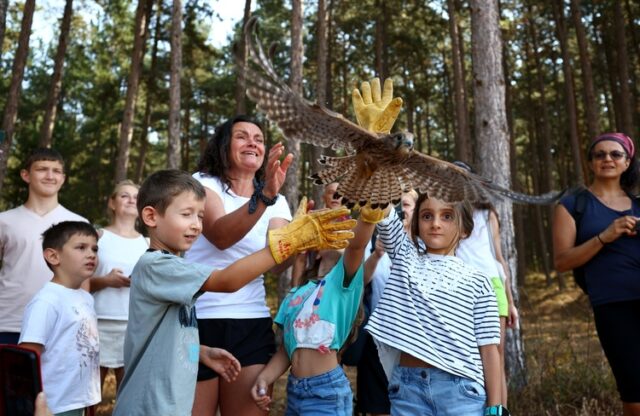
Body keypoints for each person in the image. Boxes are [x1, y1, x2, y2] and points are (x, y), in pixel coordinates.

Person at [113, 169, 354, 415]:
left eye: (200, 216)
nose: (196, 225)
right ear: (151, 216)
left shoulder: (171, 269)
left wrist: (200, 352)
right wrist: (285, 243)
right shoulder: (157, 265)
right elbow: (227, 281)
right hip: (148, 406)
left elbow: (164, 336)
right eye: (186, 215)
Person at [186, 116, 293, 416]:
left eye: (258, 139)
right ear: (224, 145)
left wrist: (304, 240)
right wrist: (265, 196)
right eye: (242, 136)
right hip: (198, 321)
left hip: (251, 322)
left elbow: (276, 265)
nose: (252, 143)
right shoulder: (203, 184)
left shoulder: (279, 201)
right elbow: (221, 236)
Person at [366, 194, 506, 416]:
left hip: (461, 392)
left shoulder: (479, 281)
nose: (436, 224)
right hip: (407, 391)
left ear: (465, 229)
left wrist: (496, 408)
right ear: (417, 224)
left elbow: (490, 350)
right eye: (427, 216)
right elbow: (382, 204)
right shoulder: (405, 256)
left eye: (447, 216)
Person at [250, 205, 383, 415]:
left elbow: (357, 246)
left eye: (344, 232)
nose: (340, 235)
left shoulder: (343, 284)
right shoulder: (297, 293)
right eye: (332, 232)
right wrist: (265, 377)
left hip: (326, 393)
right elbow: (286, 350)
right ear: (318, 250)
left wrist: (369, 215)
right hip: (295, 391)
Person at [553, 133, 640, 415]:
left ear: (627, 162)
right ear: (591, 162)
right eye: (599, 154)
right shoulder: (572, 206)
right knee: (634, 394)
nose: (607, 159)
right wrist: (605, 235)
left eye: (615, 154)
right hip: (614, 306)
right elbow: (562, 262)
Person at [0, 148, 87, 344]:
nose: (50, 176)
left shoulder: (78, 223)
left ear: (63, 178)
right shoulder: (5, 221)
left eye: (56, 171)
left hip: (62, 322)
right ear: (25, 175)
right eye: (42, 169)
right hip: (10, 321)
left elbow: (84, 278)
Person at [19, 221, 101, 416]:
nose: (91, 254)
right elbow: (26, 358)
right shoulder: (46, 302)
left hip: (80, 401)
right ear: (53, 256)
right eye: (81, 247)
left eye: (94, 249)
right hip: (54, 406)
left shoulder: (86, 297)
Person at [454, 161, 519, 406]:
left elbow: (498, 257)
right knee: (469, 355)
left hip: (492, 285)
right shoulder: (445, 212)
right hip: (459, 286)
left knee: (495, 355)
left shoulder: (486, 213)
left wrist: (511, 302)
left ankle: (499, 409)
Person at [355, 190, 417, 416]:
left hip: (412, 340)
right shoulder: (374, 241)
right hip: (378, 335)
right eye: (396, 204)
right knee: (377, 406)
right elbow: (359, 281)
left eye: (407, 204)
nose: (401, 209)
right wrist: (378, 254)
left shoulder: (427, 246)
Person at [89, 180, 148, 394]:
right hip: (96, 324)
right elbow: (75, 283)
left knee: (129, 395)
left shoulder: (148, 243)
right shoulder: (97, 237)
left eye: (136, 197)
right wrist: (106, 281)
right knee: (91, 395)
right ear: (112, 203)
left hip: (134, 325)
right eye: (124, 195)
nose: (131, 200)